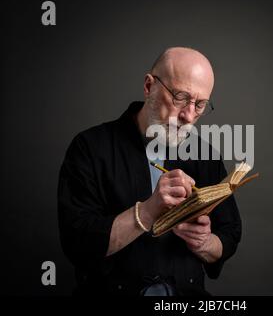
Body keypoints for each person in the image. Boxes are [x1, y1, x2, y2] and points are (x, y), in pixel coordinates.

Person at [57, 47, 241, 296]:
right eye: (180, 97)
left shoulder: (205, 154)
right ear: (148, 87)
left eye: (199, 105)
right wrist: (148, 210)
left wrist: (205, 243)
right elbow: (77, 243)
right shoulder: (90, 147)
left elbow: (229, 234)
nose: (188, 115)